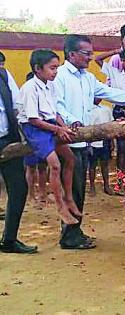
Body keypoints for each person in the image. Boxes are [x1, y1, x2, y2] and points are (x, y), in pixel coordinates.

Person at [55, 34, 125, 250]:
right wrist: (71, 121)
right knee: (73, 190)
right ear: (72, 54)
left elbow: (110, 93)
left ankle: (74, 230)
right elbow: (57, 105)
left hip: (84, 141)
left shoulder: (87, 77)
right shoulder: (59, 76)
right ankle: (69, 235)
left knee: (78, 190)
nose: (90, 57)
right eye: (86, 53)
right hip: (68, 142)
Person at [18, 49, 82, 225]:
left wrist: (63, 127)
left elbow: (55, 112)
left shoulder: (51, 85)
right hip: (34, 127)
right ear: (38, 69)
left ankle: (68, 198)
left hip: (49, 123)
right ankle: (60, 206)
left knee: (70, 158)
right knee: (55, 165)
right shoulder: (30, 88)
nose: (55, 72)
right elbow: (33, 119)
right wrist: (56, 129)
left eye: (57, 68)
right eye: (52, 68)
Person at [0, 62, 37, 254]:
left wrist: (25, 136)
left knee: (19, 189)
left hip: (7, 141)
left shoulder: (4, 76)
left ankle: (9, 240)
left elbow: (16, 106)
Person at [95, 48, 125, 172]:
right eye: (121, 60)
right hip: (117, 111)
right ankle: (121, 176)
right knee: (121, 146)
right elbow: (97, 58)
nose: (122, 63)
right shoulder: (113, 72)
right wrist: (115, 52)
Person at [22, 71, 48, 205]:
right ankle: (31, 195)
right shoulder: (27, 90)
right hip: (31, 132)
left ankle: (43, 194)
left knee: (43, 166)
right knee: (31, 167)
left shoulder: (46, 91)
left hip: (43, 129)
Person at [88, 99, 114, 197]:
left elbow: (111, 126)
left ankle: (107, 186)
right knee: (92, 165)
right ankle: (92, 187)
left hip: (105, 140)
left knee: (105, 163)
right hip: (93, 140)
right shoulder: (88, 110)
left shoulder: (107, 109)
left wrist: (111, 141)